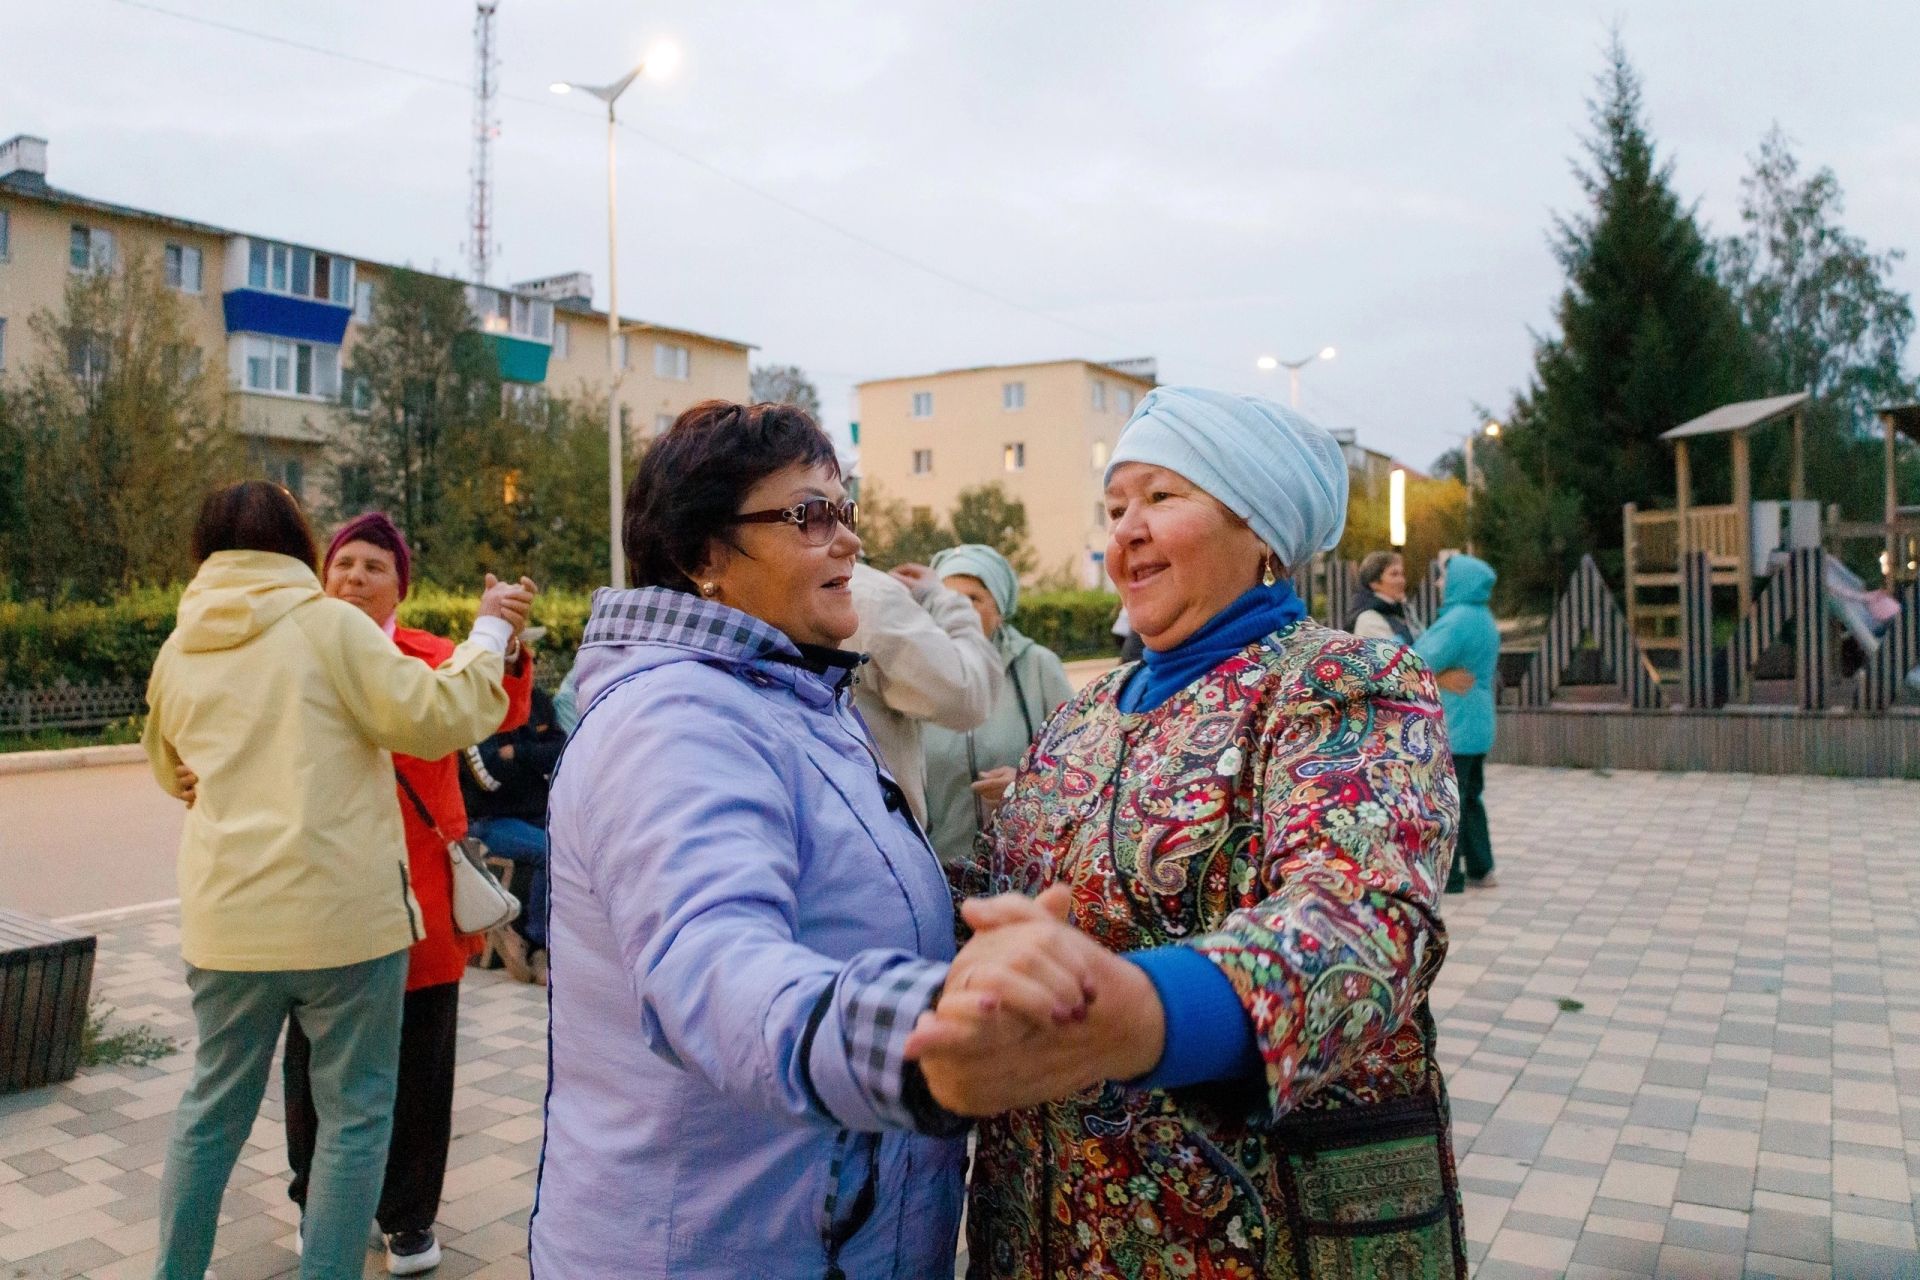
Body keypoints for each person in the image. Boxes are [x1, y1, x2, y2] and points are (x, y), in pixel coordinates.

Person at [906, 386, 1467, 1278]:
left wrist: (1139, 1013)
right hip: (1042, 1231)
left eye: (1162, 497)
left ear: (1262, 533)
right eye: (1115, 505)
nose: (1125, 528)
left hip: (1244, 1235)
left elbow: (1365, 919)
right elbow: (990, 900)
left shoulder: (1338, 682)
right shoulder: (1085, 714)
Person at [528, 400, 1089, 1278]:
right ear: (702, 557)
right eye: (808, 516)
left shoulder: (788, 697)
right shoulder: (678, 718)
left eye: (845, 510)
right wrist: (923, 1039)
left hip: (825, 1228)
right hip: (728, 1245)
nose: (848, 542)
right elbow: (709, 965)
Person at [142, 482, 526, 1280]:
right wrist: (489, 632)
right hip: (344, 925)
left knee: (208, 1114)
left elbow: (166, 759)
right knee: (355, 1119)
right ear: (299, 545)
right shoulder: (329, 629)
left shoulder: (181, 647)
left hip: (227, 926)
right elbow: (437, 714)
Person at [280, 512, 536, 1276]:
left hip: (418, 897)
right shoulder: (292, 656)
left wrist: (506, 645)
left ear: (400, 586)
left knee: (421, 1069)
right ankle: (314, 1202)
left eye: (372, 567)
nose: (353, 577)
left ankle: (410, 1218)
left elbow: (506, 712)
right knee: (314, 1066)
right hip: (320, 897)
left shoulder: (431, 658)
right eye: (343, 564)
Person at [920, 544, 1075, 864]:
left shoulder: (1038, 666)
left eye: (974, 599)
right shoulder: (914, 672)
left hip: (1025, 870)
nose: (958, 609)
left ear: (1000, 609)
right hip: (937, 870)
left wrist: (1025, 785)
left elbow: (1080, 765)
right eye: (948, 598)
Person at [847, 558, 1003, 826]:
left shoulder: (1037, 663)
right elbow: (966, 695)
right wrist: (942, 600)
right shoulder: (873, 594)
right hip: (885, 838)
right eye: (959, 595)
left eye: (974, 598)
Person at [461, 639, 566, 984]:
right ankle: (538, 945)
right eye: (503, 659)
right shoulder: (475, 704)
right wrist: (534, 758)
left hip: (535, 812)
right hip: (490, 820)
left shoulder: (538, 701)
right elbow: (488, 777)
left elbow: (561, 750)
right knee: (549, 852)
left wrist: (517, 752)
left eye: (516, 659)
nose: (512, 667)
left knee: (585, 843)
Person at [1414, 553, 1502, 892]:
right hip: (1477, 720)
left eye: (1443, 578)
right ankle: (1482, 867)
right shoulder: (1482, 617)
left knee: (1448, 800)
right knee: (1470, 797)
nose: (1439, 584)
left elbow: (1419, 658)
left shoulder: (1458, 620)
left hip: (1456, 721)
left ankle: (1450, 876)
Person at [1346, 548, 1423, 643]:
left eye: (1402, 574)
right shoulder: (1369, 619)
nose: (1402, 580)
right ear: (1374, 582)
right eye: (1394, 574)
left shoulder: (1400, 611)